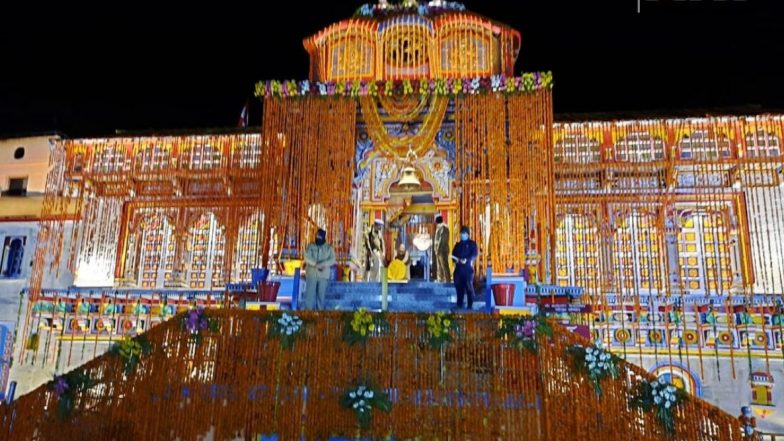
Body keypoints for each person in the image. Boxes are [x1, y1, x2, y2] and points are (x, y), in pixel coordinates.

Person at [303, 228, 335, 310]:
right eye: (317, 237)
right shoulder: (310, 246)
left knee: (321, 296)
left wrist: (323, 264)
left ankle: (319, 314)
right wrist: (315, 264)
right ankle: (308, 314)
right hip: (311, 274)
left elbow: (332, 260)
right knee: (309, 295)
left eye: (320, 237)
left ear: (324, 238)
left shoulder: (329, 248)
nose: (318, 238)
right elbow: (306, 257)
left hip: (323, 275)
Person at [451, 226, 478, 310]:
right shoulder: (458, 245)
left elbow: (474, 254)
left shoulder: (472, 244)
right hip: (458, 269)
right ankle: (459, 304)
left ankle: (470, 304)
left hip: (467, 269)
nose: (463, 235)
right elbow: (453, 255)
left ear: (468, 234)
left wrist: (466, 260)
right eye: (461, 234)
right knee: (459, 287)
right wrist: (456, 260)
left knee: (469, 286)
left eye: (464, 234)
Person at [433, 215, 451, 282]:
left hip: (442, 250)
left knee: (444, 265)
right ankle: (440, 279)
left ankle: (447, 279)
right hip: (438, 250)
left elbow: (442, 240)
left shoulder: (443, 228)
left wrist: (438, 249)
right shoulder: (439, 228)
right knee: (439, 265)